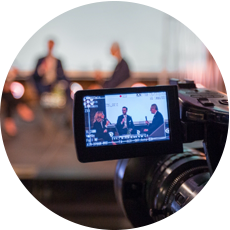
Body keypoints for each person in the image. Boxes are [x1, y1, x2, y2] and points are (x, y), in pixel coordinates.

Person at [0, 42, 34, 136]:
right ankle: (20, 106)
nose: (4, 55)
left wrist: (12, 75)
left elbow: (4, 82)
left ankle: (9, 121)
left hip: (3, 91)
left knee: (9, 96)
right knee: (8, 94)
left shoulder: (3, 66)